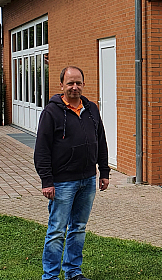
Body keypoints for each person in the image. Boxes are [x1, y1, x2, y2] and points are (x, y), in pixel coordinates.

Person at [34, 66, 110, 280]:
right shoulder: (51, 112)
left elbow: (100, 141)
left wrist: (103, 171)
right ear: (62, 86)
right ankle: (50, 276)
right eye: (70, 83)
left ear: (83, 84)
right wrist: (47, 181)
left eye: (78, 83)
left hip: (87, 180)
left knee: (78, 228)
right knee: (57, 230)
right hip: (62, 183)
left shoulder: (92, 108)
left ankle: (73, 272)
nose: (74, 87)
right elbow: (41, 149)